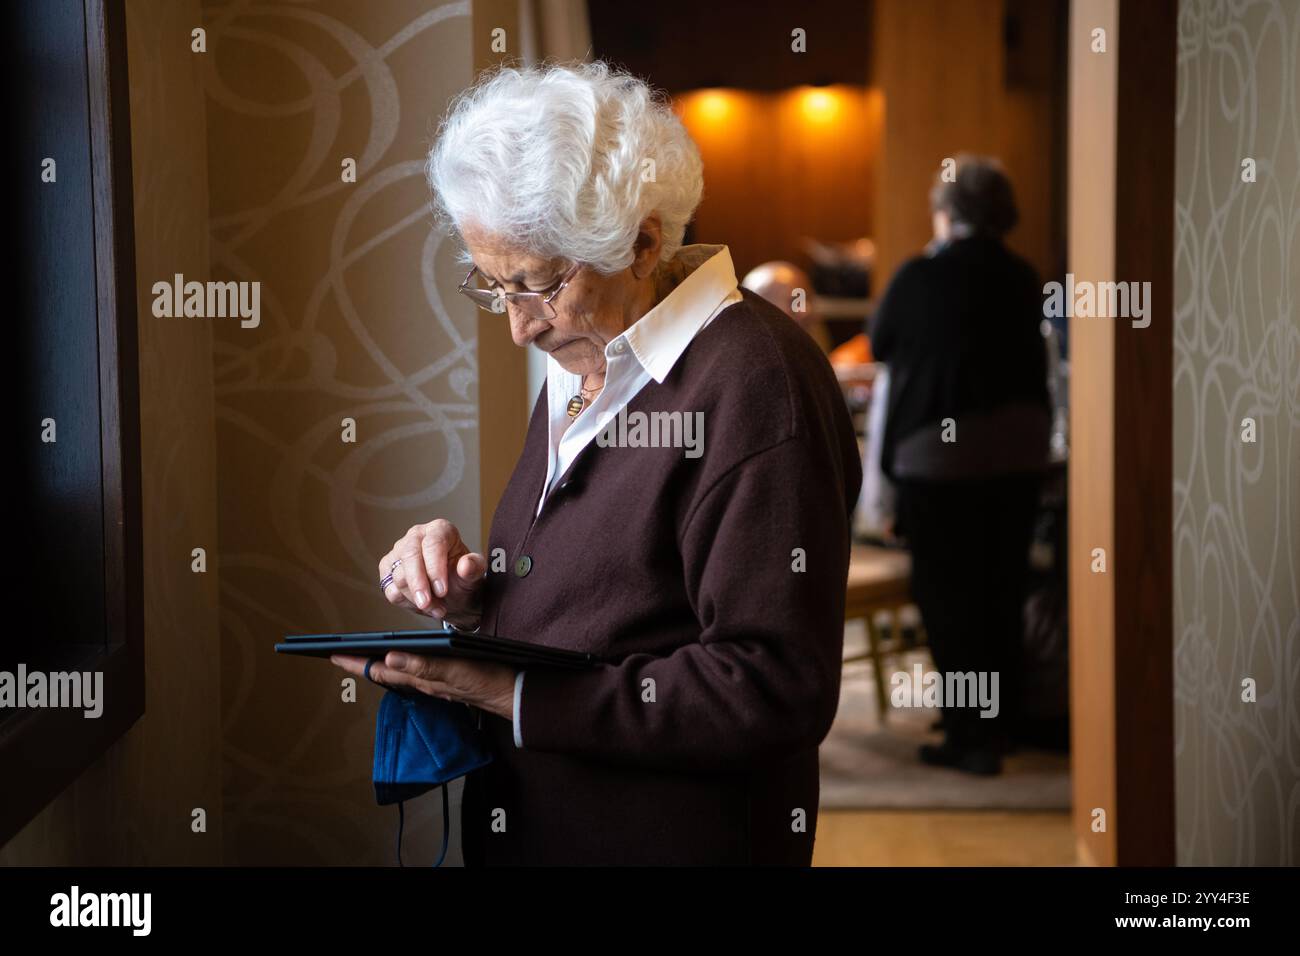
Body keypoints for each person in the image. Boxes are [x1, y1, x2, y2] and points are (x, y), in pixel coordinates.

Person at [331, 62, 862, 864]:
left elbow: (774, 686)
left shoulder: (756, 384)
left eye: (536, 286)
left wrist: (509, 695)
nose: (518, 326)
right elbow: (619, 603)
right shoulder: (596, 353)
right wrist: (480, 605)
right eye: (495, 285)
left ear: (642, 242)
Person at [869, 155, 1050, 775]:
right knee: (1001, 587)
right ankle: (999, 724)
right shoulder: (1025, 277)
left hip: (941, 459)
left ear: (946, 215)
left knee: (947, 597)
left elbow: (882, 341)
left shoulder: (920, 275)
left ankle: (969, 736)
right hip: (1022, 453)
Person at [741, 261, 834, 353]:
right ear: (760, 308)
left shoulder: (814, 333)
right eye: (794, 302)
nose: (806, 311)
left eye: (808, 298)